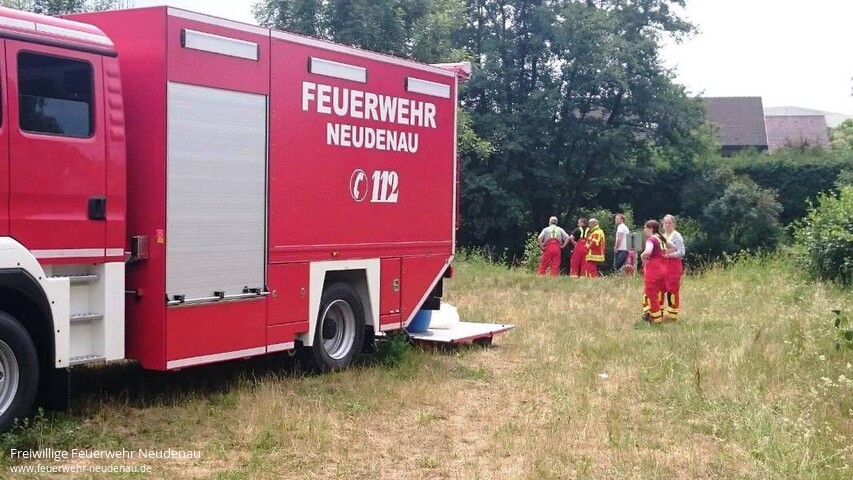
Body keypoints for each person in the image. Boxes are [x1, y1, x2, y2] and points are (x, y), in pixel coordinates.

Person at [640, 219, 668, 324]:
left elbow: (648, 251)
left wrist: (642, 256)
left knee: (651, 294)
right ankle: (650, 313)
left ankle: (656, 319)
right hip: (664, 268)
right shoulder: (662, 239)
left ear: (650, 228)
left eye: (645, 227)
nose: (644, 230)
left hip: (653, 269)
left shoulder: (651, 239)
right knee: (658, 293)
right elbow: (670, 248)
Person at [662, 214, 686, 321]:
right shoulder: (662, 236)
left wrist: (669, 255)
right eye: (666, 223)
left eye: (669, 223)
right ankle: (660, 313)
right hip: (663, 266)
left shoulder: (677, 236)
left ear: (673, 224)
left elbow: (682, 252)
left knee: (672, 290)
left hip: (674, 266)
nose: (667, 225)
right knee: (661, 289)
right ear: (663, 224)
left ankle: (672, 314)